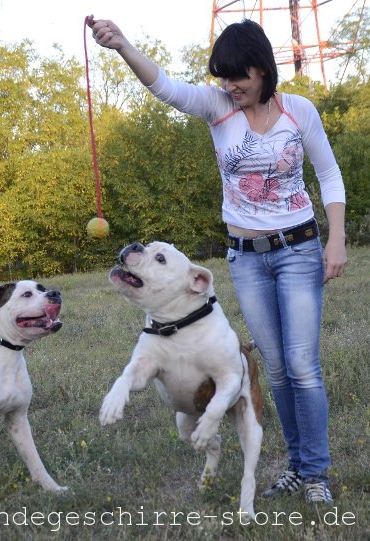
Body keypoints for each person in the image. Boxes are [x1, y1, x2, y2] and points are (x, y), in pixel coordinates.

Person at [87, 15, 347, 504]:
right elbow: (165, 87)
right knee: (272, 369)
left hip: (298, 250)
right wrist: (123, 45)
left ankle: (315, 474)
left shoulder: (300, 113)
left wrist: (336, 240)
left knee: (302, 367)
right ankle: (295, 466)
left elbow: (329, 175)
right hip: (246, 258)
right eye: (223, 77)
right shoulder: (218, 107)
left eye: (239, 76)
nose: (230, 86)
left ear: (262, 69)